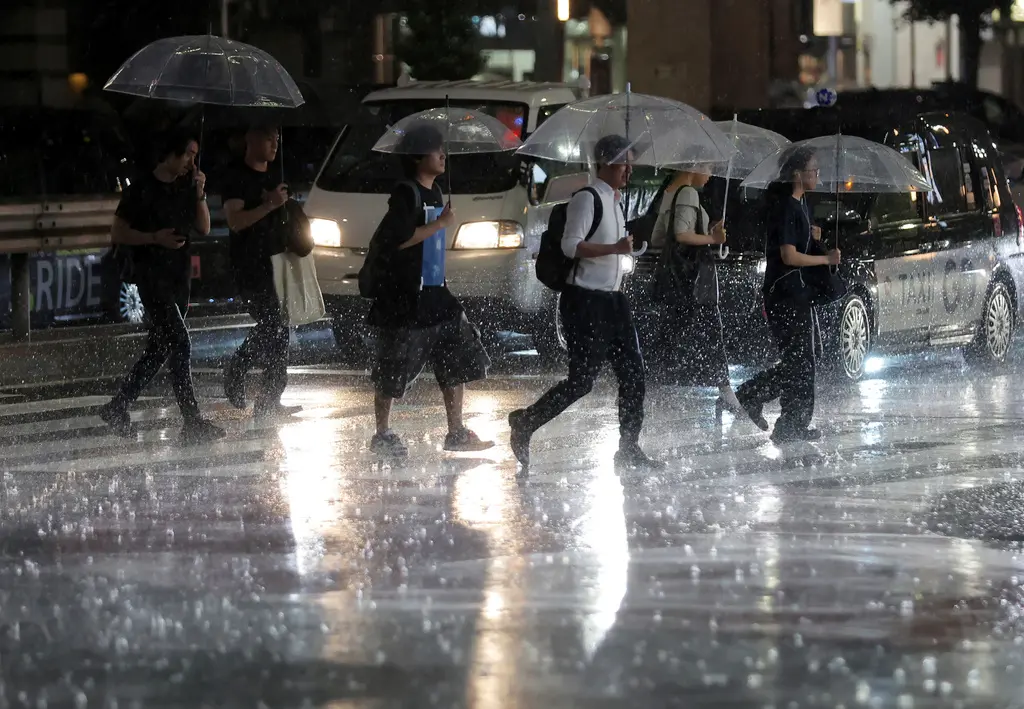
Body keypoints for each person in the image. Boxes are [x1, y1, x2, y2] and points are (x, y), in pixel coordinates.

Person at [509, 135, 662, 471]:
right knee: (582, 381)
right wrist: (615, 249)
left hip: (613, 300)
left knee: (634, 375)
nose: (629, 169)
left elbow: (614, 246)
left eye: (631, 163)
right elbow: (570, 246)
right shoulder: (586, 199)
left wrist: (626, 249)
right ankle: (525, 422)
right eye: (624, 162)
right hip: (584, 301)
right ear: (606, 162)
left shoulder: (615, 201)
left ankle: (629, 447)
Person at [366, 123, 493, 457]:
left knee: (456, 353)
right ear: (418, 156)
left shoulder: (435, 193)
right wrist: (439, 224)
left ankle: (456, 430)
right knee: (396, 364)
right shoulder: (406, 194)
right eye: (436, 149)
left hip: (436, 292)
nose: (443, 155)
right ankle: (382, 432)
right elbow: (399, 239)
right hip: (407, 297)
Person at [99, 130, 225, 445]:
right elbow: (118, 232)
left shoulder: (186, 187)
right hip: (152, 276)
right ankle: (193, 420)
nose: (191, 162)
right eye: (186, 155)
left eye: (195, 156)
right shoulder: (140, 190)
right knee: (180, 342)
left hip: (179, 276)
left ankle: (118, 405)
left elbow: (204, 227)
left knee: (160, 347)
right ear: (168, 154)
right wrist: (154, 238)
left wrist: (200, 192)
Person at [735, 147, 841, 443]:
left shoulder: (801, 205)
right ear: (797, 174)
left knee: (806, 358)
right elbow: (788, 255)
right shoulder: (785, 207)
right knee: (800, 360)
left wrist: (813, 237)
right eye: (813, 170)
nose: (817, 175)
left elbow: (797, 244)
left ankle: (789, 421)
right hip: (785, 294)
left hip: (799, 293)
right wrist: (825, 260)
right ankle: (758, 399)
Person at [650, 166, 746, 423]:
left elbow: (659, 237)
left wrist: (706, 231)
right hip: (695, 283)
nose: (711, 174)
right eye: (708, 167)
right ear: (695, 165)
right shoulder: (689, 193)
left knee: (669, 337)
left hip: (680, 283)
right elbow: (682, 235)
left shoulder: (670, 192)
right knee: (713, 334)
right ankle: (725, 394)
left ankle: (648, 385)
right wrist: (712, 240)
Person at [221, 125, 300, 422]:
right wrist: (269, 204)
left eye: (277, 138)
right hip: (250, 266)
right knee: (272, 324)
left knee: (281, 332)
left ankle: (270, 399)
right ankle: (238, 368)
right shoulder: (235, 177)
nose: (274, 144)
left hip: (278, 264)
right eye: (268, 137)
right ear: (249, 138)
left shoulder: (276, 177)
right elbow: (235, 221)